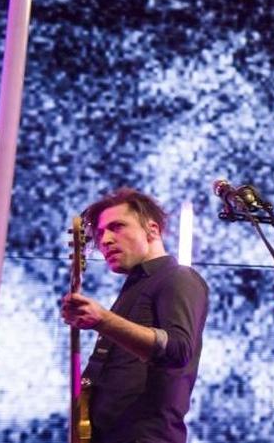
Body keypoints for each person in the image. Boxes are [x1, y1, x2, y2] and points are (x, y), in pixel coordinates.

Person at [61, 188, 209, 443]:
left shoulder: (178, 278)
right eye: (100, 233)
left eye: (116, 227)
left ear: (152, 230)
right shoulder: (133, 288)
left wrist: (103, 320)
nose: (105, 240)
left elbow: (178, 349)